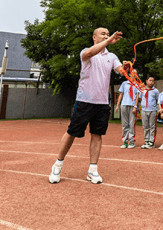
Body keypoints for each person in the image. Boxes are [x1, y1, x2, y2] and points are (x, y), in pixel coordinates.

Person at [48, 28, 127, 184]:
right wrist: (108, 41)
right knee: (72, 133)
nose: (106, 35)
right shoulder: (86, 52)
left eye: (107, 33)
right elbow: (89, 54)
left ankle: (92, 169)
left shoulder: (111, 56)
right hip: (84, 101)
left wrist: (128, 69)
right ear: (94, 37)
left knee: (97, 135)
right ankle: (58, 164)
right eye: (103, 34)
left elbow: (121, 71)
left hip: (102, 103)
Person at [115, 70, 139, 149]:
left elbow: (137, 96)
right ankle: (125, 141)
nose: (133, 75)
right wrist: (118, 105)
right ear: (129, 74)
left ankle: (131, 141)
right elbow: (121, 95)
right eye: (132, 73)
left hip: (132, 105)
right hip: (124, 105)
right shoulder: (124, 84)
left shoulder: (137, 85)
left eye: (135, 73)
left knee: (131, 124)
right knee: (125, 124)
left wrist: (135, 106)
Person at [139, 76, 160, 149]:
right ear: (146, 81)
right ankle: (146, 141)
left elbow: (158, 100)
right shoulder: (142, 90)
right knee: (145, 126)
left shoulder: (156, 91)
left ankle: (151, 142)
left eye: (152, 81)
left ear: (154, 82)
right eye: (150, 80)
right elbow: (140, 98)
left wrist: (155, 108)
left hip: (152, 110)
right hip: (144, 110)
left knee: (152, 126)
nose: (151, 82)